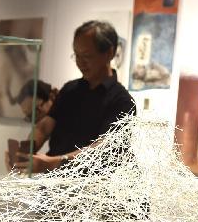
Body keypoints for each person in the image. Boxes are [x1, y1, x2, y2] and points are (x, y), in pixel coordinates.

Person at [11, 21, 135, 173]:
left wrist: (52, 163)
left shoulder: (122, 102)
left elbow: (103, 150)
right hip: (54, 182)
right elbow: (44, 127)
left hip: (91, 185)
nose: (80, 63)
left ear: (109, 53)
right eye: (76, 55)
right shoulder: (70, 89)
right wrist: (25, 153)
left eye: (87, 56)